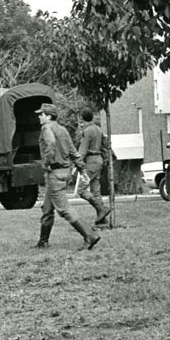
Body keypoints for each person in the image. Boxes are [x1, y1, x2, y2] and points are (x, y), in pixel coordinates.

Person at [34, 103, 100, 250]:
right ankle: (43, 242)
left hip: (54, 174)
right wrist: (81, 170)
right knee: (47, 208)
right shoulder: (63, 129)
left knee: (64, 209)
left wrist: (46, 163)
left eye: (41, 114)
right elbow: (73, 152)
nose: (39, 117)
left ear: (49, 116)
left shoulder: (46, 128)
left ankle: (89, 235)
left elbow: (51, 144)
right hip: (65, 172)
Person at [75, 109, 111, 227]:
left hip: (90, 162)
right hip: (99, 160)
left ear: (82, 118)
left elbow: (83, 149)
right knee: (96, 191)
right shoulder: (98, 129)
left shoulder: (87, 131)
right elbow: (105, 145)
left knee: (81, 190)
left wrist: (77, 162)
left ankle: (101, 209)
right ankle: (102, 220)